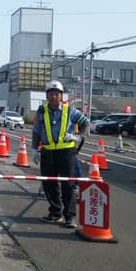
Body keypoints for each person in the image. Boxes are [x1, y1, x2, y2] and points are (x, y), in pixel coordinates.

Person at [31, 80, 89, 229]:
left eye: (56, 94)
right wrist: (34, 149)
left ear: (61, 96)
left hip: (66, 153)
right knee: (49, 184)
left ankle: (69, 217)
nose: (53, 97)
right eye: (50, 94)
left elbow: (86, 123)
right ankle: (55, 213)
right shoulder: (41, 111)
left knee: (68, 185)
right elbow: (36, 131)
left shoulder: (70, 110)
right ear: (46, 96)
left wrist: (78, 136)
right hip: (48, 152)